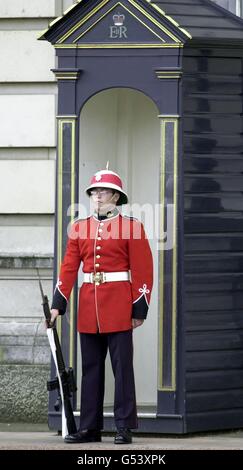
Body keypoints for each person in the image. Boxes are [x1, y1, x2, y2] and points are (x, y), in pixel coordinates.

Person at [50, 167, 153, 444]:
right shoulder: (80, 228)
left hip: (119, 305)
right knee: (91, 369)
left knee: (122, 368)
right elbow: (69, 267)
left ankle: (123, 426)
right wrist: (59, 302)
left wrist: (139, 307)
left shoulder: (132, 227)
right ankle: (90, 427)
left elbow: (143, 269)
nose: (97, 196)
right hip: (89, 306)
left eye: (103, 191)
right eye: (94, 192)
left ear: (116, 197)